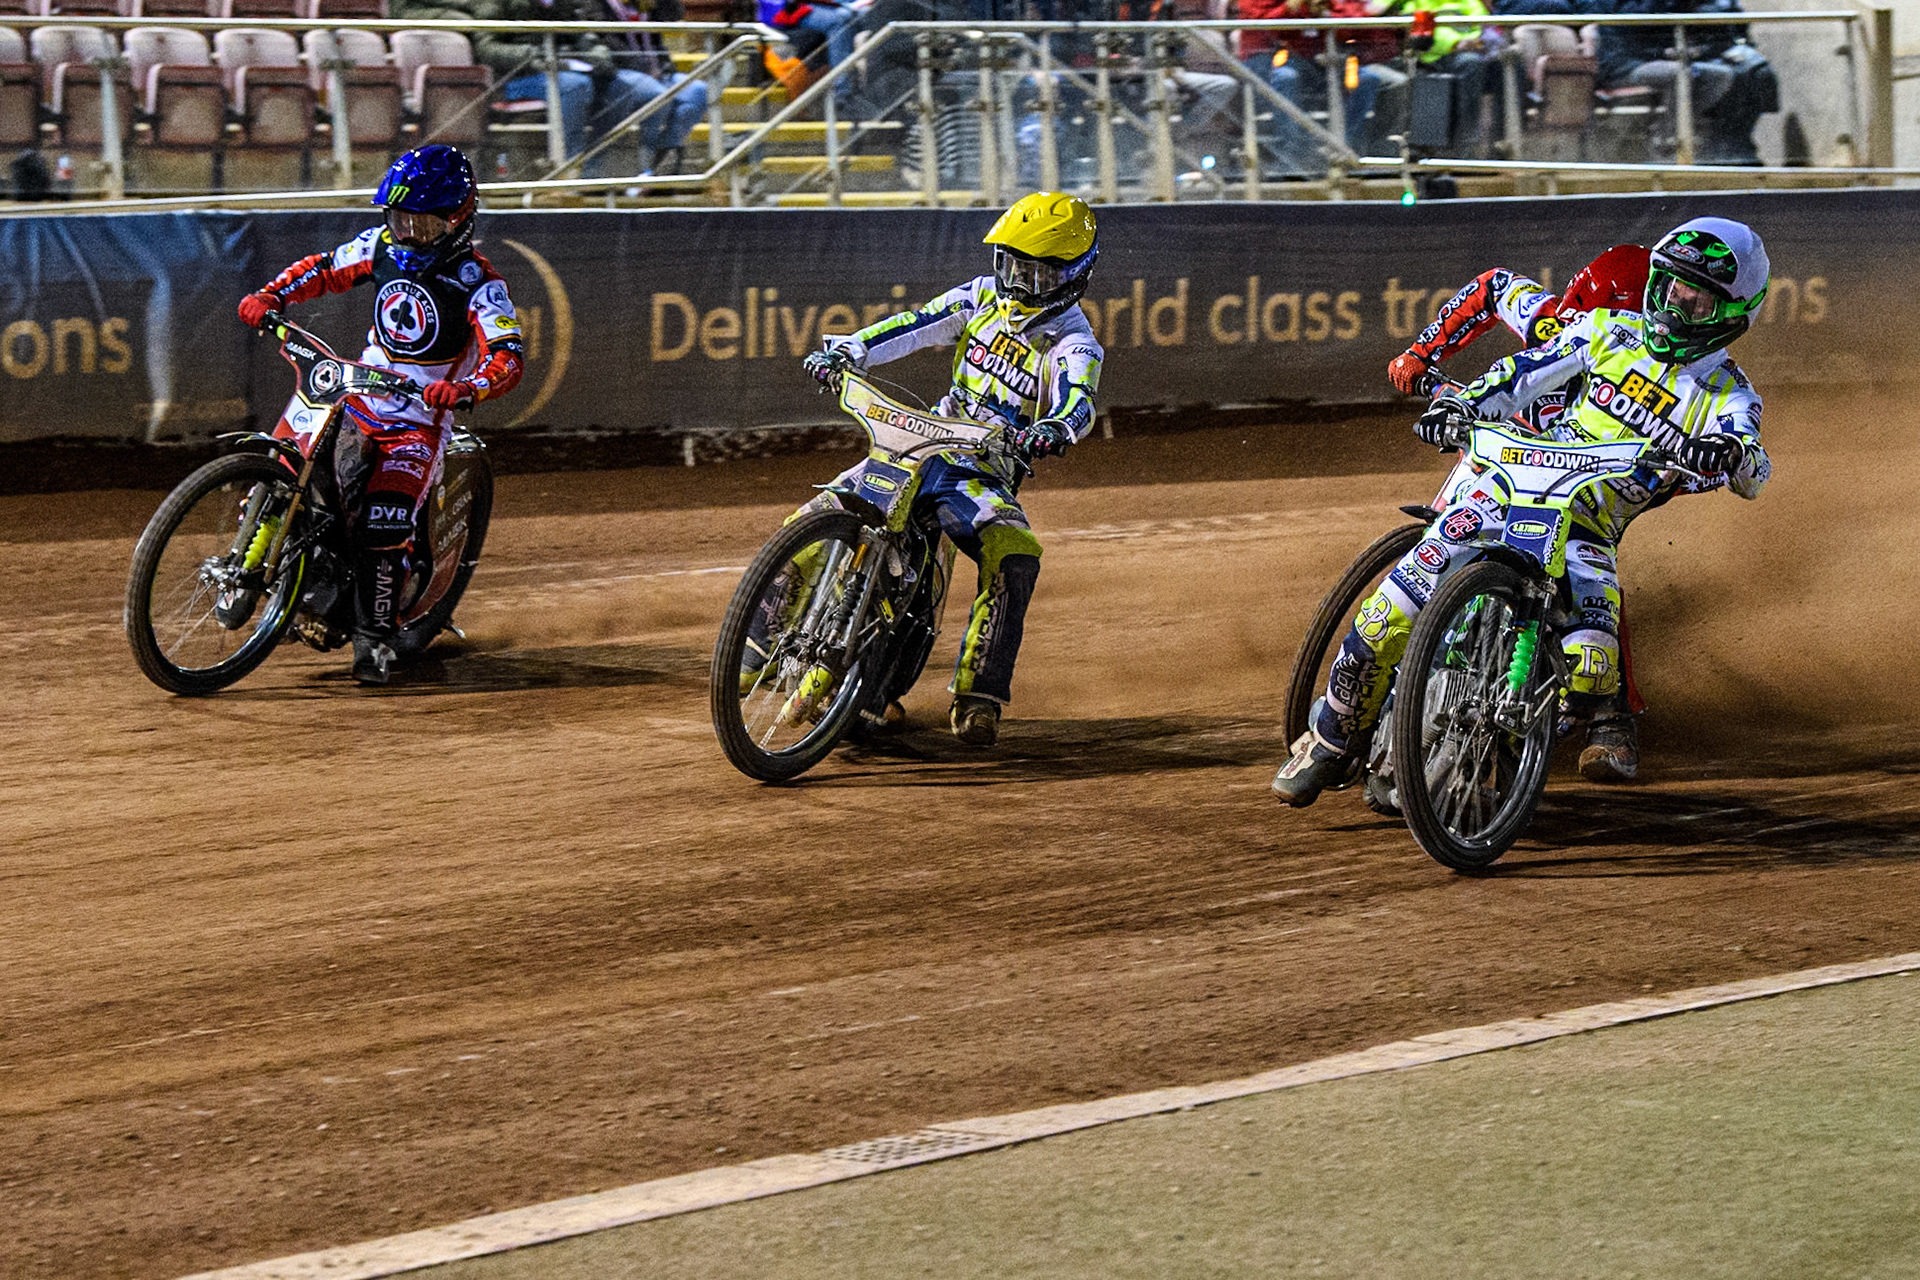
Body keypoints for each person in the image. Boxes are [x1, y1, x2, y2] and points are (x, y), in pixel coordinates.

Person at [1272, 216, 1770, 807]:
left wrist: (1727, 455)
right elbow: (1521, 372)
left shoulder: (1731, 394)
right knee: (1383, 617)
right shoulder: (1606, 330)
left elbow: (1754, 468)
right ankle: (1329, 742)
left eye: (1697, 300)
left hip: (1585, 528)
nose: (1673, 308)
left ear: (1734, 315)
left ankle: (1544, 740)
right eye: (1668, 288)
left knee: (1592, 668)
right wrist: (1462, 403)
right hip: (1500, 487)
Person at [796, 191, 1104, 747]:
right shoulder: (980, 297)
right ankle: (756, 644)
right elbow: (913, 324)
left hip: (981, 471)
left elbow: (1077, 401)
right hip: (919, 446)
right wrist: (847, 351)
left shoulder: (1073, 342)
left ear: (1072, 277)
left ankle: (979, 694)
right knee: (823, 511)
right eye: (1012, 266)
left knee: (1014, 553)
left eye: (1036, 275)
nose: (1018, 283)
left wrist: (1055, 429)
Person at [235, 146, 526, 685]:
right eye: (398, 218)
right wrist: (270, 295)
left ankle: (375, 638)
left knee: (381, 525)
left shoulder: (480, 283)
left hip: (417, 420)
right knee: (285, 456)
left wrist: (465, 389)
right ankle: (261, 556)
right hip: (356, 392)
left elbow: (507, 357)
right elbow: (323, 271)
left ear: (456, 221)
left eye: (420, 222)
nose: (406, 231)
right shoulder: (380, 246)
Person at [1387, 243, 1654, 779]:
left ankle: (1610, 715)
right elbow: (1490, 286)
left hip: (1575, 485)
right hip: (1494, 455)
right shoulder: (1551, 317)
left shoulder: (1647, 371)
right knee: (1436, 540)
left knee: (1588, 569)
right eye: (1580, 318)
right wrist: (1422, 353)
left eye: (1615, 322)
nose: (1589, 332)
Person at [413, 0, 709, 176]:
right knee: (576, 84)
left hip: (561, 69)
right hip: (513, 79)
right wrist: (536, 57)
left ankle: (601, 168)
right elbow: (486, 47)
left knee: (618, 85)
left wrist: (595, 54)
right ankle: (570, 167)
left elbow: (582, 35)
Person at [1593, 0, 1776, 165]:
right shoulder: (1620, 5)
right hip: (1626, 65)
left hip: (1657, 58)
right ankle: (1667, 143)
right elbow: (1632, 30)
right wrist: (1664, 52)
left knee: (1722, 74)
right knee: (1680, 75)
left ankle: (1686, 131)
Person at [1237, 0, 1406, 175]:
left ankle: (1347, 148)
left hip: (1337, 59)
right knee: (1285, 77)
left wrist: (1326, 12)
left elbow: (1353, 25)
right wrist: (1294, 8)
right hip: (1299, 59)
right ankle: (1291, 150)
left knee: (1368, 79)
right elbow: (1274, 29)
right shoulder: (1293, 4)